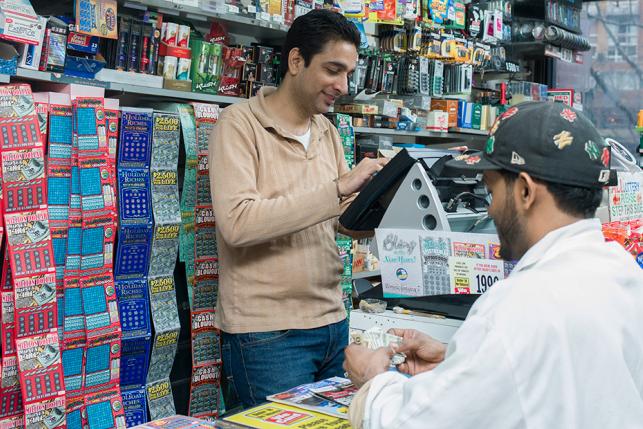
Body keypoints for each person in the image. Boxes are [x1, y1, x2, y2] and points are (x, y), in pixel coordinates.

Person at [343, 101, 643, 428]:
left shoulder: (517, 306)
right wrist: (458, 360)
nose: (490, 211)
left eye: (492, 191)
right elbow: (579, 371)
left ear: (526, 191)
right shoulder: (622, 271)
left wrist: (373, 380)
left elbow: (417, 423)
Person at [209, 9, 387, 408]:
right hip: (268, 334)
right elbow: (238, 223)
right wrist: (339, 187)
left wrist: (386, 204)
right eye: (333, 70)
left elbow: (341, 219)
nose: (343, 85)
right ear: (295, 61)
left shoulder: (326, 130)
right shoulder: (238, 125)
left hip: (332, 322)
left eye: (348, 74)